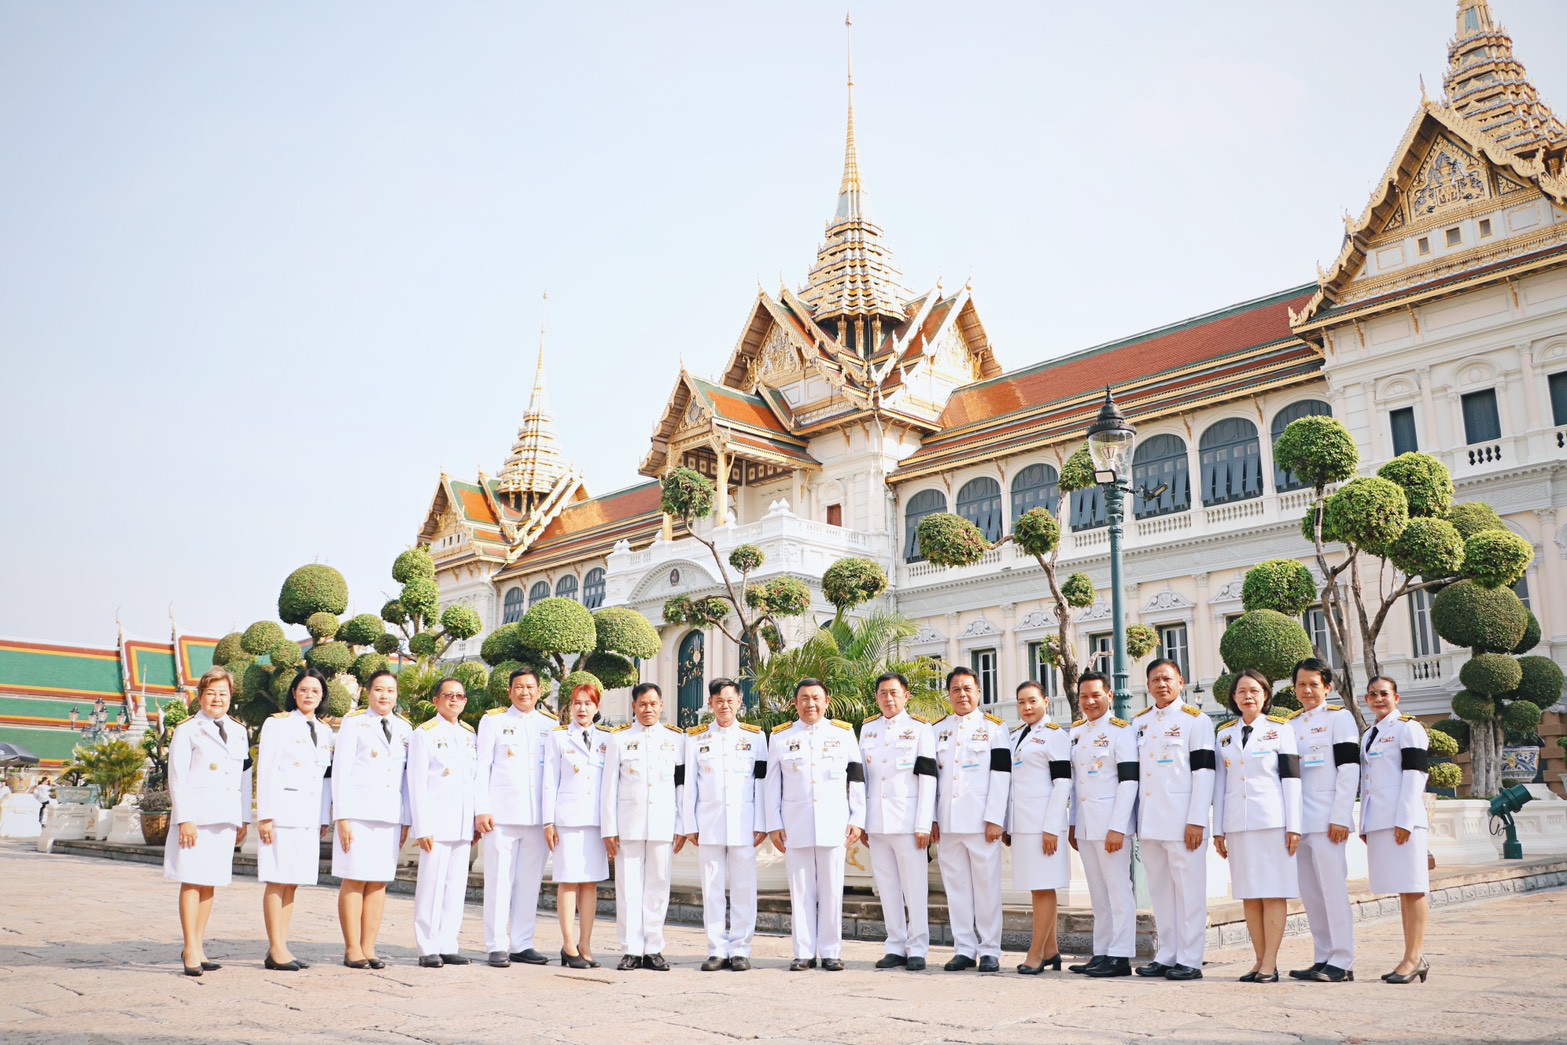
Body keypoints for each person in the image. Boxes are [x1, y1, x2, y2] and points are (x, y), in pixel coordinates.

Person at [766, 678, 866, 972]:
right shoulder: (781, 737)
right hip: (794, 824)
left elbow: (857, 779)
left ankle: (832, 951)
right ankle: (804, 952)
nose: (811, 703)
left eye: (816, 698)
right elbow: (773, 784)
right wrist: (773, 823)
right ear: (795, 703)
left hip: (834, 823)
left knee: (832, 890)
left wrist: (857, 819)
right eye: (804, 698)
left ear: (827, 701)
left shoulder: (844, 734)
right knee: (800, 890)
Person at [1212, 669, 1302, 983]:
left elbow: (1291, 780)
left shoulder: (1281, 730)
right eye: (1241, 692)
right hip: (1238, 823)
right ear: (1234, 698)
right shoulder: (1224, 734)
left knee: (1274, 892)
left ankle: (1271, 963)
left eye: (1254, 690)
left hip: (1273, 822)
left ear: (1265, 695)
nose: (1248, 696)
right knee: (1249, 894)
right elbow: (1220, 784)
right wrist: (1218, 829)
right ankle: (1259, 960)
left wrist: (1295, 826)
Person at [164, 667, 251, 977]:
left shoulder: (239, 731)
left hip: (225, 816)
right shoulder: (187, 730)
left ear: (231, 698)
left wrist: (244, 818)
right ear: (200, 697)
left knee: (210, 882)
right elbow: (177, 777)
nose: (217, 699)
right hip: (197, 818)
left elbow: (243, 777)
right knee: (192, 879)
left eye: (223, 694)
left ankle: (199, 945)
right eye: (211, 693)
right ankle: (189, 946)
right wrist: (184, 818)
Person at [1133, 657, 1215, 981]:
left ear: (1181, 681)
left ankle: (1191, 958)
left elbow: (1204, 772)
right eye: (1155, 680)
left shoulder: (1196, 721)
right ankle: (1166, 954)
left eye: (1167, 678)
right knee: (1161, 892)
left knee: (1190, 892)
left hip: (1184, 823)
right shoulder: (1140, 723)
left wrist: (1197, 820)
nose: (1161, 685)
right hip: (1151, 822)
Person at [681, 678, 768, 972]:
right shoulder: (695, 739)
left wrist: (763, 822)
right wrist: (689, 823)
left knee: (745, 887)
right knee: (712, 889)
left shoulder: (756, 738)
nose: (725, 706)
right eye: (719, 701)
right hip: (710, 824)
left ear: (739, 702)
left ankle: (741, 948)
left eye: (730, 700)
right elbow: (689, 785)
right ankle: (717, 948)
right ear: (710, 704)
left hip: (745, 824)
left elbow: (762, 785)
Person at [474, 667, 557, 968]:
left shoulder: (550, 725)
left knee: (530, 881)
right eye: (519, 687)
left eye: (530, 687)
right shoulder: (493, 721)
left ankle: (523, 943)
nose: (525, 692)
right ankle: (496, 944)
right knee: (499, 880)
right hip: (502, 815)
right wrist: (481, 808)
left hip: (537, 817)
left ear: (539, 691)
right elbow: (482, 766)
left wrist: (552, 817)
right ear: (510, 691)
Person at [331, 669, 413, 969]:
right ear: (369, 693)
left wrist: (405, 820)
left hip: (389, 815)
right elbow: (340, 772)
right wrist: (341, 816)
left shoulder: (405, 729)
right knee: (354, 878)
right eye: (379, 689)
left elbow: (406, 780)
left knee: (379, 882)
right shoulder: (355, 724)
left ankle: (369, 947)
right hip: (358, 814)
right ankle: (352, 947)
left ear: (396, 694)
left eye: (390, 690)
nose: (384, 696)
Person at [930, 666, 1011, 973]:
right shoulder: (937, 729)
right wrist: (931, 820)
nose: (961, 695)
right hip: (948, 824)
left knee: (987, 887)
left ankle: (990, 949)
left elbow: (1001, 775)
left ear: (978, 692)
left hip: (981, 823)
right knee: (956, 888)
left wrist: (995, 819)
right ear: (948, 694)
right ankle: (964, 948)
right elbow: (931, 780)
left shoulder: (994, 728)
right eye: (955, 690)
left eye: (967, 689)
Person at [602, 682, 686, 971]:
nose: (648, 709)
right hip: (629, 825)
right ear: (634, 707)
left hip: (663, 823)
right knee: (628, 887)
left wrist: (682, 824)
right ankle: (631, 949)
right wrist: (609, 829)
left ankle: (653, 947)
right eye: (642, 704)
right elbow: (609, 787)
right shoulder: (620, 739)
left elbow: (681, 786)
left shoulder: (677, 740)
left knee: (659, 886)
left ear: (661, 705)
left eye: (653, 704)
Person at [255, 667, 335, 971]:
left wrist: (324, 814)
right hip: (283, 814)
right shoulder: (278, 725)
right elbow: (266, 770)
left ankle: (281, 945)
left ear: (322, 696)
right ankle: (276, 949)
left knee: (293, 884)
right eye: (304, 690)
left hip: (309, 816)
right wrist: (265, 816)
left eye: (315, 691)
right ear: (294, 692)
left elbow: (324, 778)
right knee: (277, 880)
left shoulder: (326, 731)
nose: (309, 695)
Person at [1287, 658, 1360, 982]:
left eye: (1313, 684)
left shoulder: (1339, 719)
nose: (1306, 690)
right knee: (1311, 894)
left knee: (1332, 890)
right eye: (1301, 684)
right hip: (1300, 822)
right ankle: (1322, 955)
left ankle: (1342, 959)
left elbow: (1349, 769)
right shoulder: (1291, 724)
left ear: (1327, 687)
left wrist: (1341, 816)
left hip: (1329, 818)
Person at [858, 672, 936, 972]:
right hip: (877, 822)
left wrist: (923, 824)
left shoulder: (920, 729)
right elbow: (862, 779)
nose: (888, 699)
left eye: (894, 693)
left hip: (908, 822)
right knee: (887, 885)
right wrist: (862, 821)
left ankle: (917, 947)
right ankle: (895, 945)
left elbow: (928, 778)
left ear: (906, 695)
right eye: (882, 693)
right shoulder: (868, 730)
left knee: (914, 887)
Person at [1067, 672, 1139, 978]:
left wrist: (1118, 826)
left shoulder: (1122, 731)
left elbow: (1129, 781)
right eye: (1084, 696)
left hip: (1111, 825)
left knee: (1118, 889)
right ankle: (1102, 951)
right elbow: (1074, 785)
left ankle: (1120, 955)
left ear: (1109, 696)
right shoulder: (1077, 733)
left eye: (1096, 695)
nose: (1089, 701)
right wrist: (1072, 824)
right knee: (1098, 892)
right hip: (1085, 825)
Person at [1359, 675, 1431, 984]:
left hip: (1404, 820)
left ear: (1396, 697)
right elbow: (1367, 780)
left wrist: (1404, 820)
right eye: (1373, 694)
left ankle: (1414, 958)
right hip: (1380, 819)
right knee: (1402, 888)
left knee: (1414, 887)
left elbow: (1415, 774)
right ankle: (1412, 956)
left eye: (1384, 694)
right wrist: (1365, 823)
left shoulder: (1408, 728)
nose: (1378, 699)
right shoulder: (1370, 734)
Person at [408, 678, 479, 968]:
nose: (454, 700)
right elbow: (416, 783)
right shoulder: (424, 734)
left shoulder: (469, 735)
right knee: (431, 885)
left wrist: (474, 821)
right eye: (448, 695)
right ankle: (427, 946)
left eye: (459, 696)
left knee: (455, 886)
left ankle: (448, 944)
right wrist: (422, 826)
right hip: (436, 824)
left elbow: (473, 782)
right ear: (436, 701)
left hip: (462, 824)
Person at [543, 678, 612, 970]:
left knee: (590, 884)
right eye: (577, 703)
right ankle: (568, 944)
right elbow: (549, 782)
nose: (582, 708)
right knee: (568, 881)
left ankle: (585, 944)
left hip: (596, 821)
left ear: (597, 707)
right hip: (567, 820)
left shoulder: (609, 739)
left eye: (588, 703)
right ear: (570, 707)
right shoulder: (557, 737)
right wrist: (548, 821)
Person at [1006, 680, 1071, 974]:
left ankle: (1036, 953)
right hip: (1023, 824)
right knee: (1036, 888)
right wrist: (1008, 825)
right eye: (1021, 702)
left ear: (1046, 700)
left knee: (1044, 887)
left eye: (1032, 701)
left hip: (1044, 824)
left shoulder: (1055, 736)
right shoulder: (1017, 735)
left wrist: (1051, 827)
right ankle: (1051, 950)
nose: (1027, 707)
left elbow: (1062, 783)